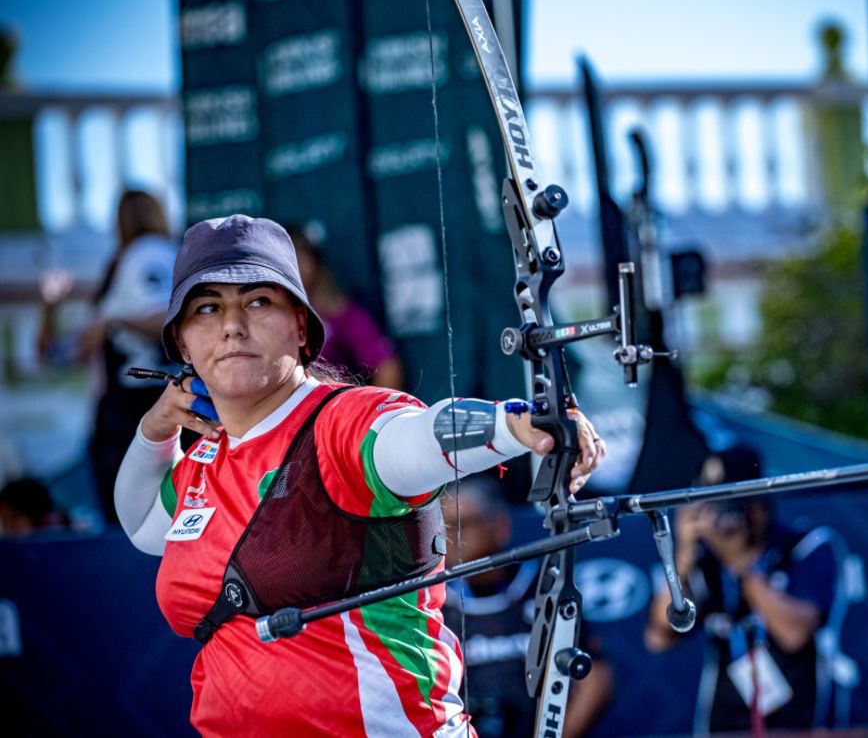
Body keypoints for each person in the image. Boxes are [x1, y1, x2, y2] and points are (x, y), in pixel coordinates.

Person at [113, 215, 604, 736]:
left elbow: (415, 437)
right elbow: (143, 521)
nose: (232, 324)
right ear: (183, 345)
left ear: (302, 326)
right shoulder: (203, 461)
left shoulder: (341, 423)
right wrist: (155, 428)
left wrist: (517, 423)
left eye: (258, 301)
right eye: (207, 308)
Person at [644, 446, 838, 733]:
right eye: (709, 505)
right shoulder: (705, 560)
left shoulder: (806, 546)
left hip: (800, 720)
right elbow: (659, 636)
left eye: (727, 505)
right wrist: (682, 556)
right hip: (723, 722)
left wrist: (738, 563)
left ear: (759, 504)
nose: (717, 518)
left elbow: (794, 635)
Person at [39, 190, 177, 523]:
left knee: (140, 523)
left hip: (143, 407)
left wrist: (113, 322)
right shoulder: (127, 264)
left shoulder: (148, 254)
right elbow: (56, 354)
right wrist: (51, 308)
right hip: (128, 413)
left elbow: (165, 319)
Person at [440, 474, 613, 738]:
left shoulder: (545, 587)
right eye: (445, 527)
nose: (453, 538)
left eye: (464, 525)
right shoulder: (434, 601)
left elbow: (596, 679)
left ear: (500, 526)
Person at [288, 224, 403, 388]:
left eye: (301, 255)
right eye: (289, 257)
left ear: (316, 262)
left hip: (327, 406)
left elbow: (387, 366)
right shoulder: (260, 315)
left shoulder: (339, 313)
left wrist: (376, 411)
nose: (296, 264)